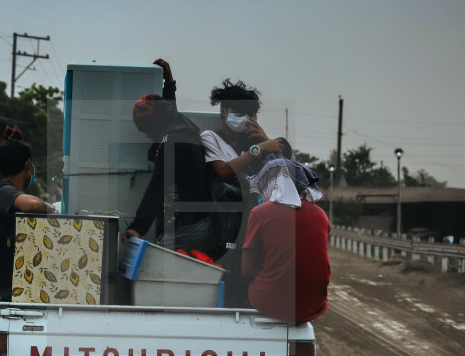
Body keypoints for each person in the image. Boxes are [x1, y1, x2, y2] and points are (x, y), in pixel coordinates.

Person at [198, 79, 290, 305]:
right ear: (223, 111)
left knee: (247, 289)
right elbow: (222, 171)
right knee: (227, 288)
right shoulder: (211, 138)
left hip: (251, 233)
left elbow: (281, 183)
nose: (243, 119)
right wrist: (259, 150)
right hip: (222, 233)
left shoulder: (253, 149)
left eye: (248, 114)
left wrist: (265, 142)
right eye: (237, 112)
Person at [122, 59, 222, 258]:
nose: (148, 136)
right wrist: (169, 83)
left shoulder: (174, 144)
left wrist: (137, 227)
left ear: (157, 125)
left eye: (148, 130)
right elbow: (168, 110)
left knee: (166, 275)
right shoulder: (179, 129)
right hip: (198, 223)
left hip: (190, 229)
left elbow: (157, 187)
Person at [0, 126, 56, 300]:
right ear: (28, 165)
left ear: (0, 170)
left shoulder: (1, 193)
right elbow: (34, 205)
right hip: (3, 280)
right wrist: (52, 208)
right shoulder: (3, 192)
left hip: (3, 279)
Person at [241, 158, 330, 323]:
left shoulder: (259, 212)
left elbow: (247, 269)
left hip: (269, 303)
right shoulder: (321, 215)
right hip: (314, 304)